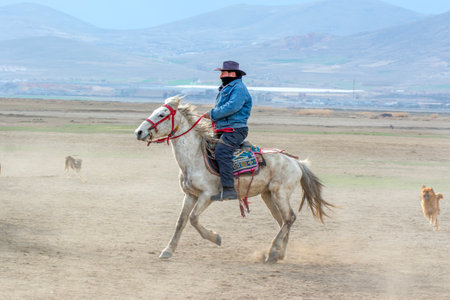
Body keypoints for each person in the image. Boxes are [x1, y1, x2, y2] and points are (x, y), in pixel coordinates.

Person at [203, 61, 253, 201]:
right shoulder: (226, 88)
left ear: (232, 74)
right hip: (223, 129)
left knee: (221, 152)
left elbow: (232, 107)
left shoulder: (239, 88)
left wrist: (212, 114)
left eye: (223, 73)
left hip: (235, 130)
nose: (220, 76)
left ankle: (229, 190)